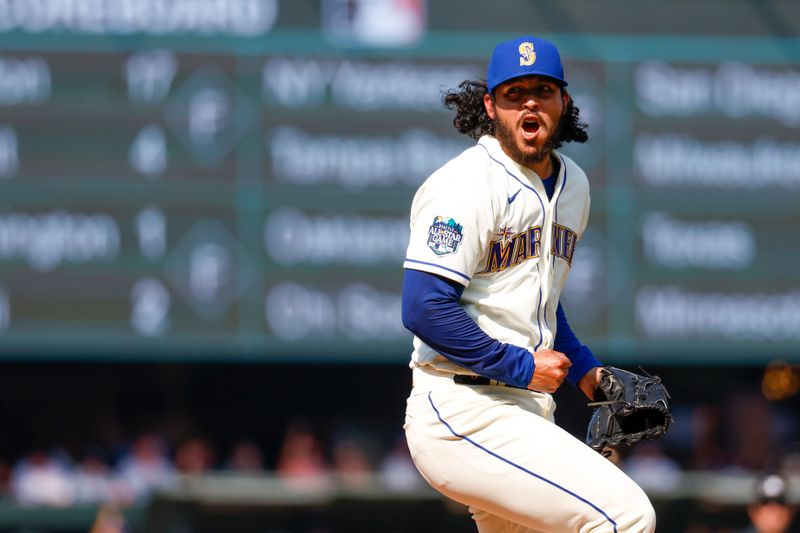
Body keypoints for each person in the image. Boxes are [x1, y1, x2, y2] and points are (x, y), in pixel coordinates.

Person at [401, 35, 656, 532]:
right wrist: (519, 364)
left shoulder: (573, 186)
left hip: (524, 408)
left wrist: (585, 369)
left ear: (564, 102)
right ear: (490, 106)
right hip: (462, 408)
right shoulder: (466, 184)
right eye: (515, 93)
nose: (530, 102)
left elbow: (535, 297)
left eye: (543, 89)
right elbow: (425, 307)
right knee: (626, 517)